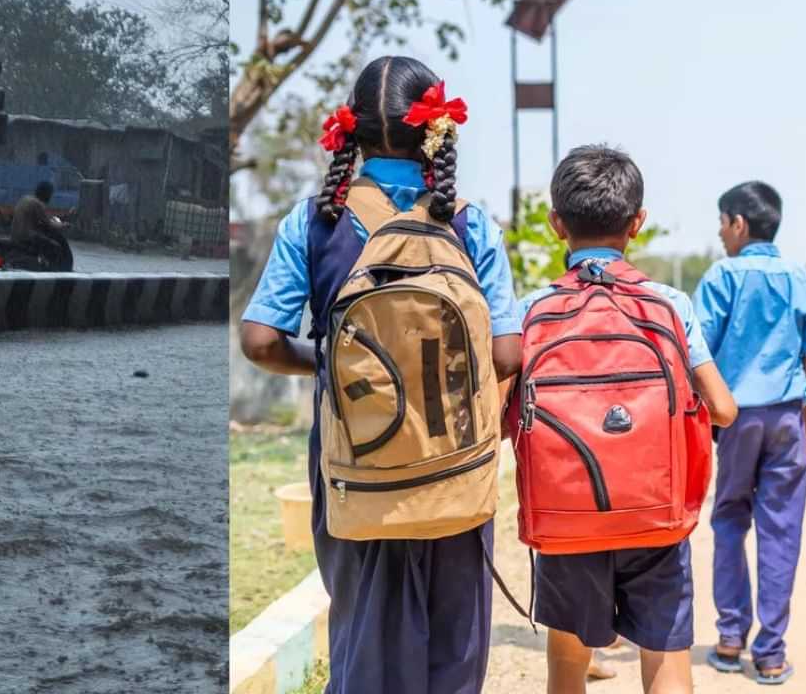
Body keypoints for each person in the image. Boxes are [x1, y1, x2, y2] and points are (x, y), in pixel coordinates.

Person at [239, 56, 523, 693]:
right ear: (437, 134)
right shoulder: (469, 223)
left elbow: (259, 341)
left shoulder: (314, 221)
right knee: (454, 643)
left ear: (352, 130)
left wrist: (329, 367)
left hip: (352, 465)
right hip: (454, 462)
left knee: (363, 635)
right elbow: (507, 357)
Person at [514, 145, 738, 694]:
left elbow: (503, 420)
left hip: (565, 522)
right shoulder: (670, 304)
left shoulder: (531, 311)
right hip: (655, 517)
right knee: (665, 661)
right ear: (638, 223)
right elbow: (725, 409)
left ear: (555, 224)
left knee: (567, 666)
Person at [695, 181, 806, 685]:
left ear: (740, 224)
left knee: (730, 521)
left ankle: (731, 640)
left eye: (722, 221)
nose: (719, 232)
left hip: (736, 420)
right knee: (782, 531)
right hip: (788, 421)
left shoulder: (721, 278)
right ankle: (771, 653)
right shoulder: (804, 280)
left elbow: (700, 356)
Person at [11, 181, 70, 268]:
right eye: (50, 194)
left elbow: (40, 218)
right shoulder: (37, 204)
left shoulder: (25, 199)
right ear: (46, 193)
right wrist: (64, 225)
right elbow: (49, 224)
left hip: (15, 236)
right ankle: (53, 270)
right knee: (56, 246)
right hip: (27, 237)